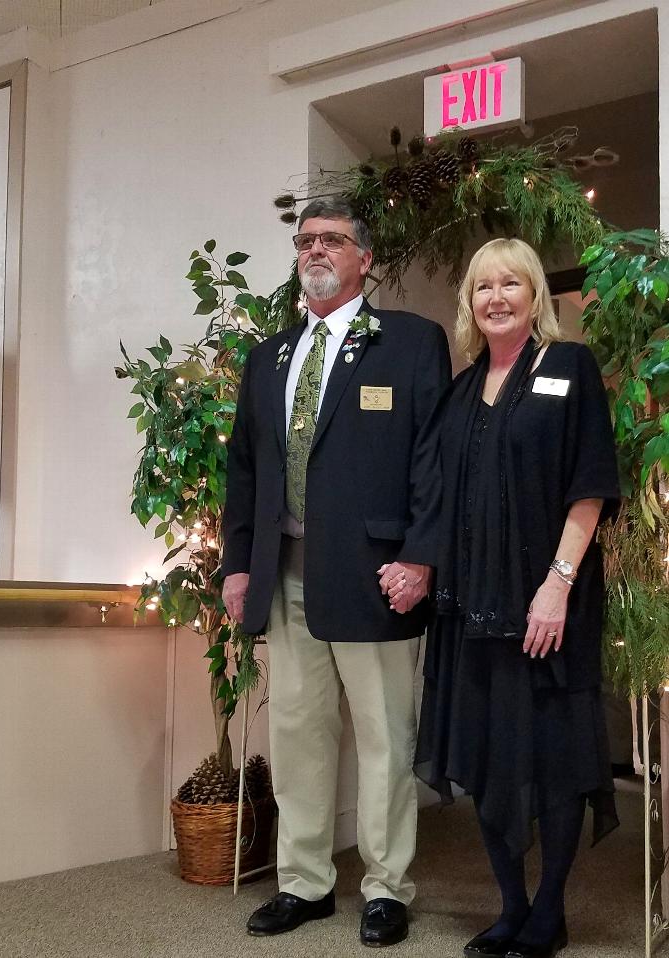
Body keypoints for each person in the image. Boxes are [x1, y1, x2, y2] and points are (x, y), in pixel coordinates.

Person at [221, 196, 451, 947]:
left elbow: (432, 463)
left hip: (377, 574)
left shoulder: (412, 344)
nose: (315, 250)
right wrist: (236, 565)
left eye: (332, 240)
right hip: (283, 571)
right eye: (305, 240)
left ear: (364, 258)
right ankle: (306, 883)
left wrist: (419, 555)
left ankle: (387, 888)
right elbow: (244, 471)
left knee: (385, 734)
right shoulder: (269, 358)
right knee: (296, 733)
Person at [414, 237, 620, 958]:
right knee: (487, 759)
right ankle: (509, 906)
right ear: (469, 303)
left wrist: (556, 587)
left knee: (553, 761)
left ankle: (550, 911)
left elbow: (590, 484)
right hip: (472, 612)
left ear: (535, 296)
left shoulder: (569, 366)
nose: (496, 297)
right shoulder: (462, 389)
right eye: (482, 286)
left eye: (511, 283)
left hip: (546, 607)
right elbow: (441, 498)